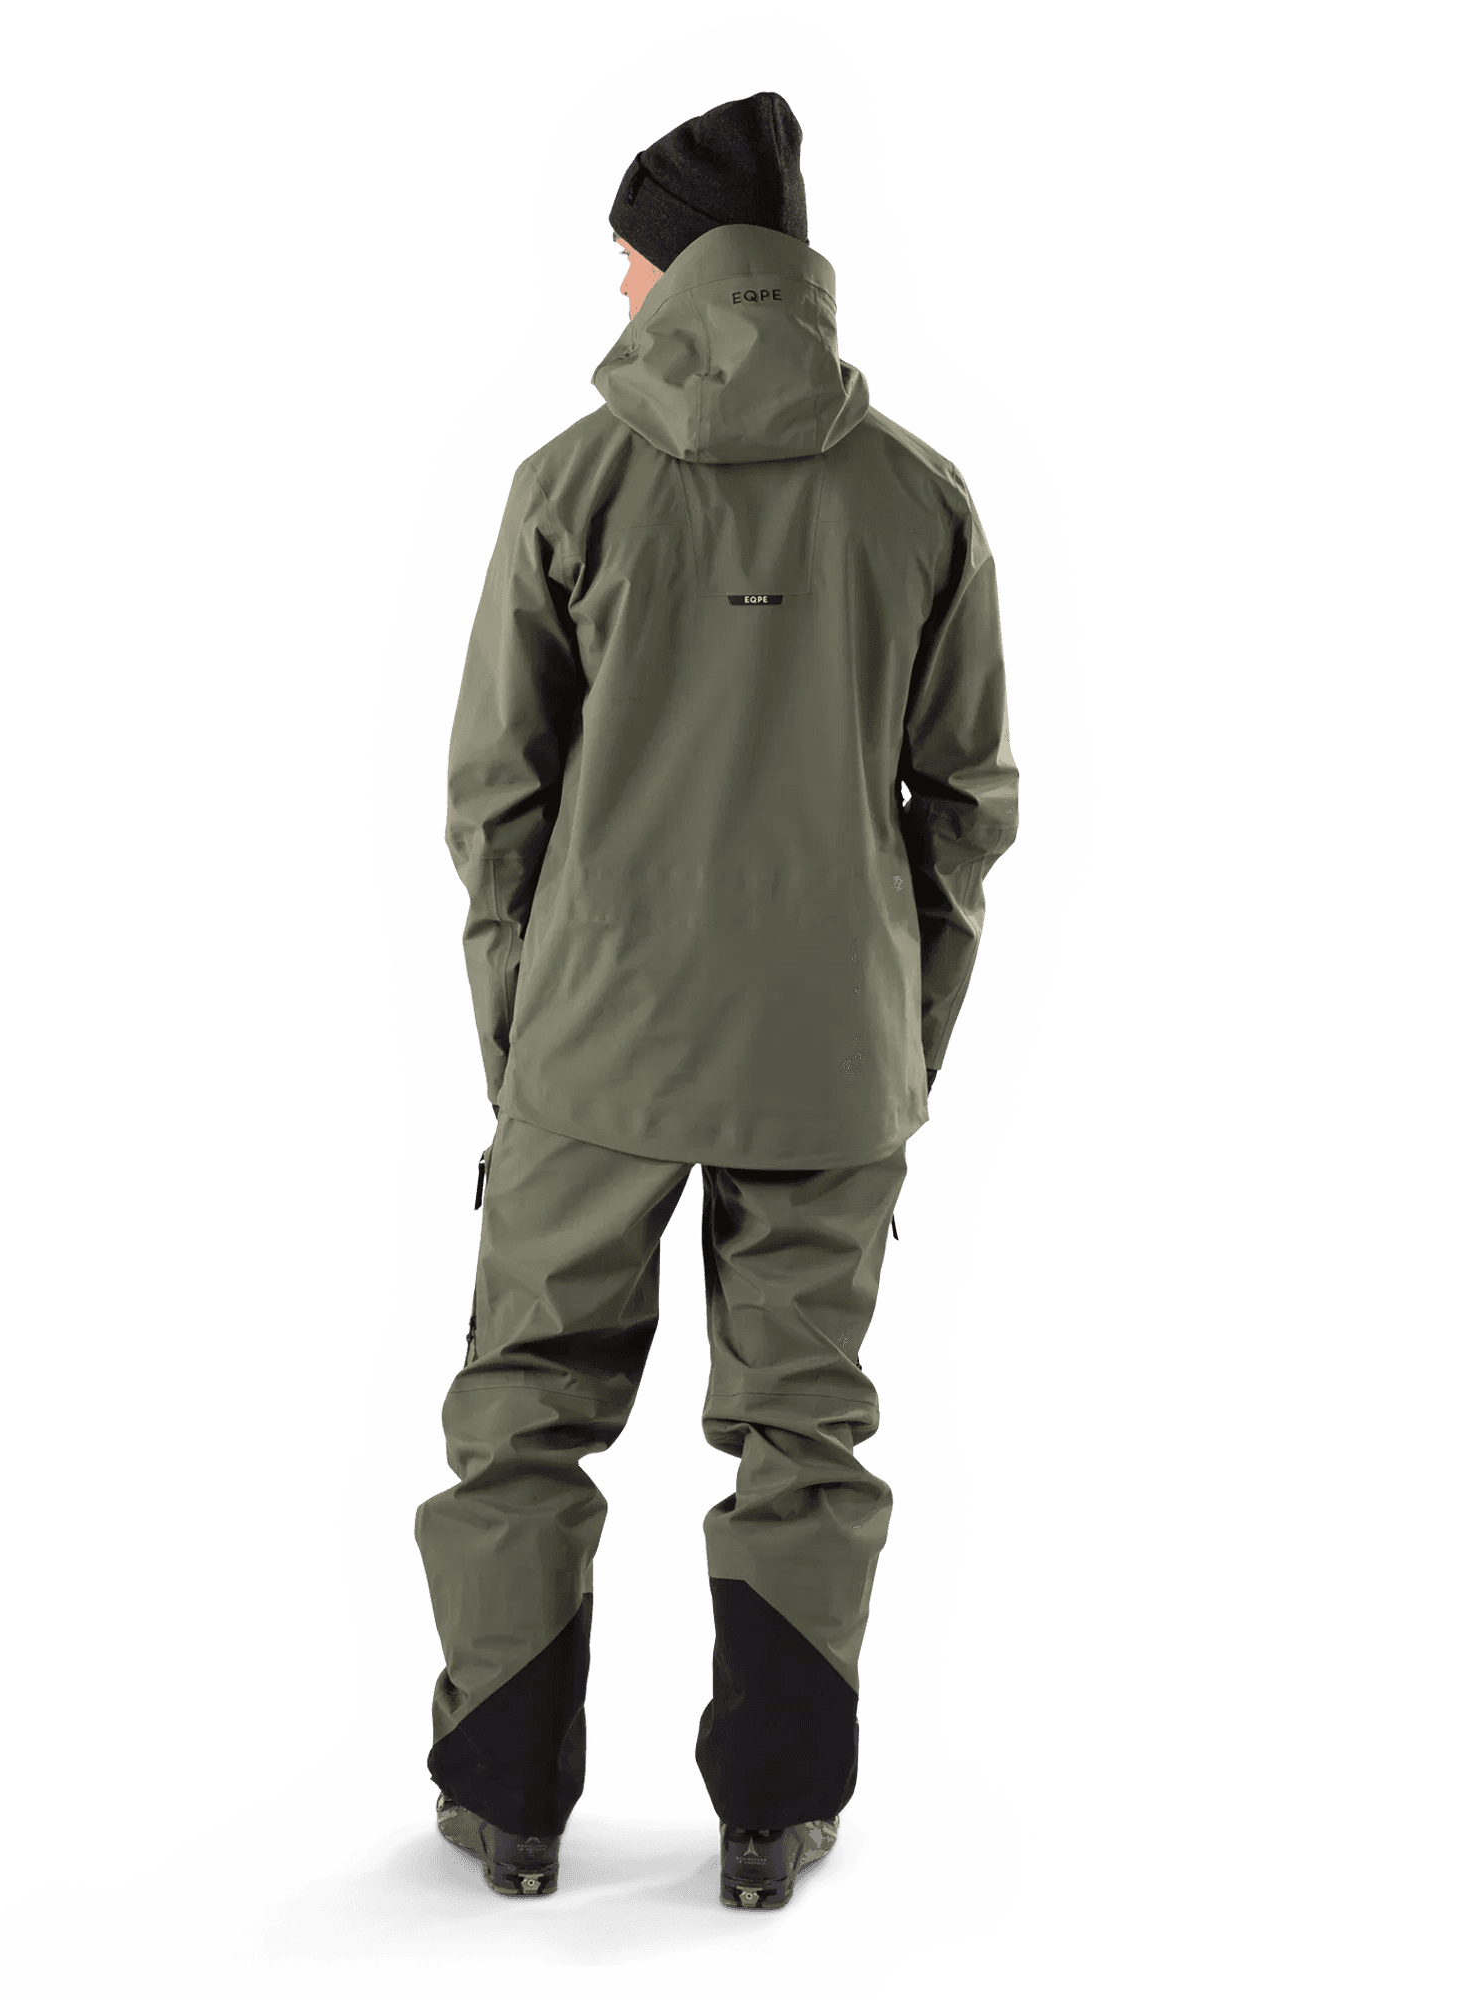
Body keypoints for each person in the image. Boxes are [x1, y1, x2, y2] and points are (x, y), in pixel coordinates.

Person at [411, 87, 1021, 1914]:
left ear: (669, 267)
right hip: (833, 1056)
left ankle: (504, 1813)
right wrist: (902, 1032)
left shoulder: (571, 481)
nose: (613, 290)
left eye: (623, 259)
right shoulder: (921, 495)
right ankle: (778, 1824)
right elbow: (967, 810)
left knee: (526, 1410)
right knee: (806, 1432)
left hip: (594, 1045)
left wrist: (521, 1030)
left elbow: (494, 800)